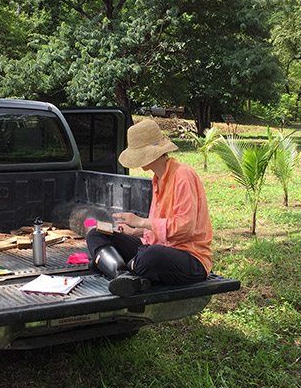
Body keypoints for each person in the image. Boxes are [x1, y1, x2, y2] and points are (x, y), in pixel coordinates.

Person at [86, 119, 213, 297]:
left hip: (189, 257)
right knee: (96, 234)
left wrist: (141, 222)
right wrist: (134, 232)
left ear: (152, 154)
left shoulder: (183, 175)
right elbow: (158, 231)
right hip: (156, 246)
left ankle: (118, 267)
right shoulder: (157, 179)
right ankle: (124, 276)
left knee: (151, 256)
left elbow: (184, 228)